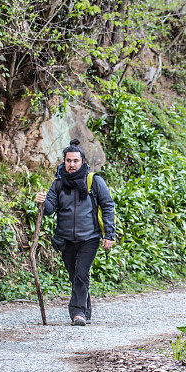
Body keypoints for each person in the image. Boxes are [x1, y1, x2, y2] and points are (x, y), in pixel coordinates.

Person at [35, 139, 116, 326]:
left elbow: (107, 205)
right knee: (74, 276)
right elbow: (49, 210)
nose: (72, 164)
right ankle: (85, 309)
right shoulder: (57, 184)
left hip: (90, 237)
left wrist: (109, 234)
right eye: (68, 161)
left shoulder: (94, 181)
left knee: (81, 273)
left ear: (83, 162)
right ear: (64, 161)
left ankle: (77, 312)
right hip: (65, 239)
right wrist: (41, 201)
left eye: (75, 161)